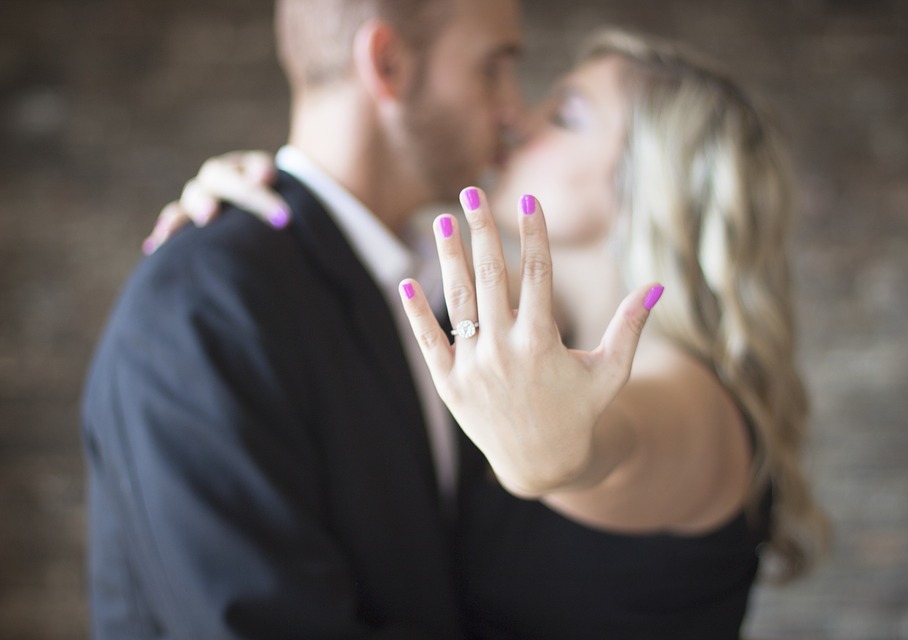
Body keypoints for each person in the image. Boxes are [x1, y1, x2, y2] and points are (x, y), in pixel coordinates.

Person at [151, 30, 831, 639]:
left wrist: (561, 457)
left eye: (564, 117)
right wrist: (265, 198)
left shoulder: (693, 405)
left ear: (649, 186)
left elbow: (618, 441)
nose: (516, 120)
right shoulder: (500, 338)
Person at [81, 0, 532, 637]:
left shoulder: (436, 287)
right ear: (387, 63)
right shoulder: (201, 305)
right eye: (494, 67)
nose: (512, 109)